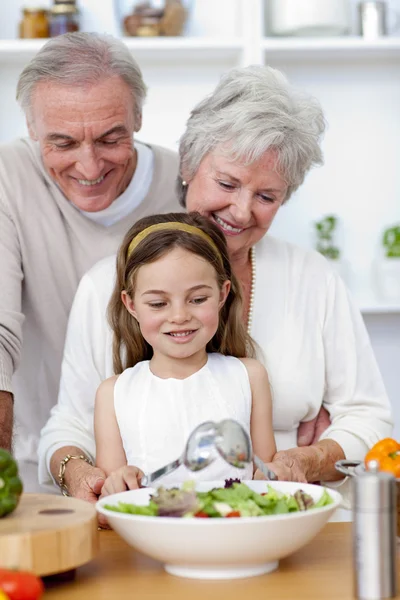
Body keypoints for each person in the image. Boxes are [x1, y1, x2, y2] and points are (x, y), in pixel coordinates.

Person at [39, 64, 392, 503]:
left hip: (279, 508)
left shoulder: (313, 279)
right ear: (188, 165)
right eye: (226, 183)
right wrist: (84, 475)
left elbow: (369, 417)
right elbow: (69, 426)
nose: (242, 212)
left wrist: (307, 458)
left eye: (267, 196)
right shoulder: (105, 284)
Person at [0, 32, 182, 492]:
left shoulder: (185, 186)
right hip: (36, 459)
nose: (88, 165)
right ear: (30, 126)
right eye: (62, 143)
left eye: (110, 138)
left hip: (167, 466)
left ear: (139, 117)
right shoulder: (8, 176)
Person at [94, 212, 276, 497]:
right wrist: (118, 483)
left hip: (236, 535)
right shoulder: (113, 394)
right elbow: (111, 502)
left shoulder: (249, 376)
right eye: (158, 303)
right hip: (151, 538)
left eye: (198, 299)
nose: (179, 316)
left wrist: (278, 475)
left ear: (222, 294)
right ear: (130, 304)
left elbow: (266, 480)